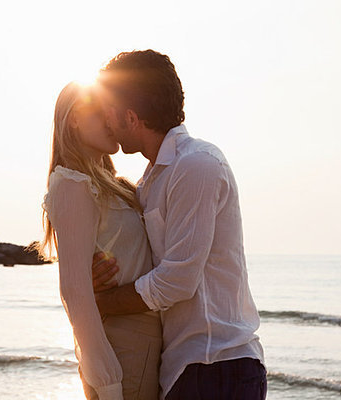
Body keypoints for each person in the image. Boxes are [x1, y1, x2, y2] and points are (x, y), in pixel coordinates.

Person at [90, 50, 267, 400]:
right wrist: (100, 270)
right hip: (183, 370)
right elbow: (144, 261)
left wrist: (101, 302)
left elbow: (176, 281)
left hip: (218, 364)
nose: (105, 121)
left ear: (130, 116)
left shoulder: (197, 164)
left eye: (107, 110)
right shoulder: (149, 182)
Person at [37, 81, 162, 400]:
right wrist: (108, 384)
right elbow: (74, 292)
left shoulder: (113, 184)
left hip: (144, 342)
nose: (112, 120)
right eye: (100, 112)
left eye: (113, 111)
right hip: (121, 351)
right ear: (74, 119)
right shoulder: (72, 184)